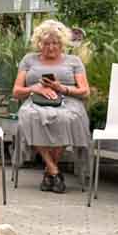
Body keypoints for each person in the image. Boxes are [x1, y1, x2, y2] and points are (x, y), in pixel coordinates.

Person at [12, 19, 91, 193]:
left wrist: (61, 88)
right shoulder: (29, 60)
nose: (51, 47)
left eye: (55, 43)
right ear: (39, 43)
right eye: (46, 43)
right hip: (36, 100)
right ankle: (54, 171)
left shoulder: (74, 61)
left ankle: (50, 174)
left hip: (67, 100)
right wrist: (34, 88)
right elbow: (16, 91)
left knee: (66, 118)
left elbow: (85, 91)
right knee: (29, 117)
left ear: (62, 43)